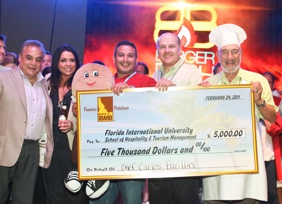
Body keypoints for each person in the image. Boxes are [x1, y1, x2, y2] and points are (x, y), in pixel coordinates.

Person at [202, 24, 277, 204]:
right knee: (215, 198)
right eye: (225, 52)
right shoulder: (208, 84)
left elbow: (272, 118)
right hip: (216, 163)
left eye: (234, 52)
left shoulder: (257, 81)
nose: (230, 57)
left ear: (241, 54)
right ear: (218, 56)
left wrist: (258, 100)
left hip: (248, 162)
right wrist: (201, 98)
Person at [89, 40, 156, 204]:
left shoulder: (147, 82)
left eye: (130, 56)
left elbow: (155, 112)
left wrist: (132, 93)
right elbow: (101, 119)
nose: (125, 59)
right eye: (121, 55)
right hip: (105, 157)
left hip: (132, 159)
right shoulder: (104, 83)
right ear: (114, 57)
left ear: (136, 59)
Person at [149, 32, 202, 204]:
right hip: (158, 152)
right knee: (159, 200)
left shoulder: (191, 72)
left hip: (184, 151)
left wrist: (175, 89)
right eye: (162, 47)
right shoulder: (156, 75)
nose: (167, 50)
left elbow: (197, 108)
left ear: (180, 49)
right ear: (157, 51)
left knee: (184, 200)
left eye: (171, 46)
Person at [0, 39, 54, 204]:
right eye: (29, 58)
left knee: (24, 199)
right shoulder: (3, 78)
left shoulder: (44, 85)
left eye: (38, 59)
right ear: (20, 58)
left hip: (31, 150)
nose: (33, 63)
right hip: (4, 147)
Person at [41, 44, 84, 203]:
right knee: (52, 195)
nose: (68, 64)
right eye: (63, 60)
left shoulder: (84, 85)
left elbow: (94, 119)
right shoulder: (46, 84)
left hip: (72, 149)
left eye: (72, 60)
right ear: (56, 63)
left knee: (73, 196)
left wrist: (74, 125)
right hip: (49, 149)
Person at [261, 71, 281, 204]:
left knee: (271, 193)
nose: (267, 84)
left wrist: (270, 126)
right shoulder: (247, 98)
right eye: (264, 81)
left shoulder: (275, 102)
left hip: (269, 154)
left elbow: (278, 127)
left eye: (269, 82)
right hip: (252, 157)